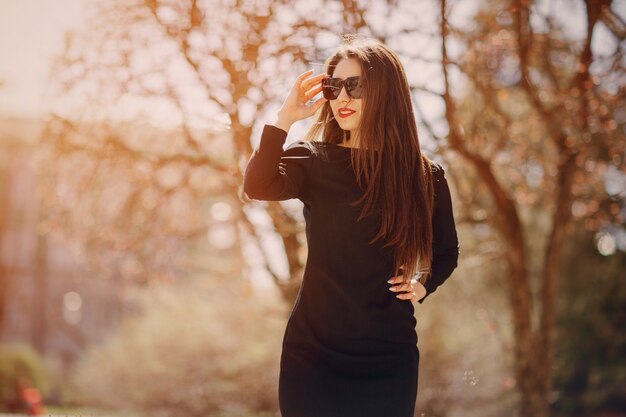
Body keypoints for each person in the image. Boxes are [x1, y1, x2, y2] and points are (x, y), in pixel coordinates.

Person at [243, 35, 460, 417]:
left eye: (355, 85)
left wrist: (423, 285)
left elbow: (446, 252)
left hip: (387, 358)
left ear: (385, 92)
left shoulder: (424, 176)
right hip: (311, 356)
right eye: (333, 86)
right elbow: (258, 185)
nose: (342, 97)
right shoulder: (313, 160)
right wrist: (285, 117)